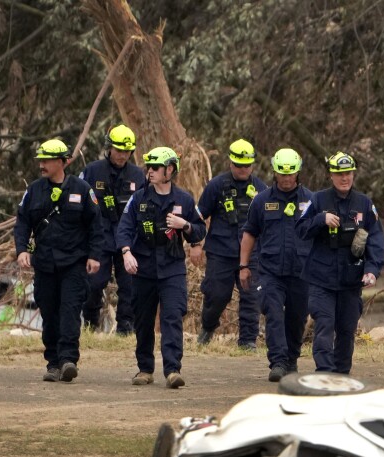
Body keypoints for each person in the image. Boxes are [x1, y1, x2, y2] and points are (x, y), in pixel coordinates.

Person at [14, 138, 105, 383]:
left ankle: (68, 360)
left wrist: (95, 256)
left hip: (74, 263)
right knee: (50, 313)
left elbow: (96, 225)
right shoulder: (34, 190)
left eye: (46, 160)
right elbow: (22, 222)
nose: (41, 164)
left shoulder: (82, 189)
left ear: (62, 162)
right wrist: (21, 250)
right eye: (40, 160)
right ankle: (52, 362)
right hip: (44, 264)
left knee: (70, 311)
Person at [115, 147, 206, 389]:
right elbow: (124, 228)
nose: (150, 171)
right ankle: (145, 369)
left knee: (172, 317)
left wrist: (184, 225)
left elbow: (199, 230)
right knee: (143, 320)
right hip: (143, 268)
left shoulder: (184, 200)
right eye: (148, 167)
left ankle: (172, 369)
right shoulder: (139, 199)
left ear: (170, 169)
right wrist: (126, 253)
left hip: (172, 268)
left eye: (155, 167)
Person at [295, 152, 384, 374]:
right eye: (340, 174)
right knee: (324, 323)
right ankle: (324, 372)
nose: (345, 178)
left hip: (350, 278)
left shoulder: (364, 203)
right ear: (331, 176)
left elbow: (375, 238)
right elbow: (300, 230)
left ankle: (342, 374)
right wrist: (320, 220)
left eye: (348, 173)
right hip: (321, 278)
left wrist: (372, 270)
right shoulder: (317, 200)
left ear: (353, 174)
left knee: (346, 328)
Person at [241, 148, 313, 382]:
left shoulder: (311, 201)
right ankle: (278, 361)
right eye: (282, 173)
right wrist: (244, 266)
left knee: (297, 317)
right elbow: (249, 234)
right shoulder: (261, 200)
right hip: (270, 271)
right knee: (273, 313)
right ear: (275, 172)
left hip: (301, 271)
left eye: (290, 173)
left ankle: (291, 358)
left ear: (298, 172)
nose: (286, 178)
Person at [196, 138, 267, 348]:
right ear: (231, 163)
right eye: (239, 165)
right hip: (220, 252)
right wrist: (195, 243)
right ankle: (207, 328)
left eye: (247, 165)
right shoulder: (217, 186)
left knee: (251, 297)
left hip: (251, 254)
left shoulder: (261, 189)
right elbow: (198, 216)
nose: (243, 169)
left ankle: (247, 341)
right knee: (216, 295)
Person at [79, 124, 144, 334]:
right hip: (99, 238)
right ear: (109, 148)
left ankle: (126, 329)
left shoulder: (138, 175)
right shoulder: (92, 171)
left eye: (127, 151)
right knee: (94, 284)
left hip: (128, 240)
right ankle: (90, 323)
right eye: (118, 150)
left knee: (130, 286)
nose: (122, 155)